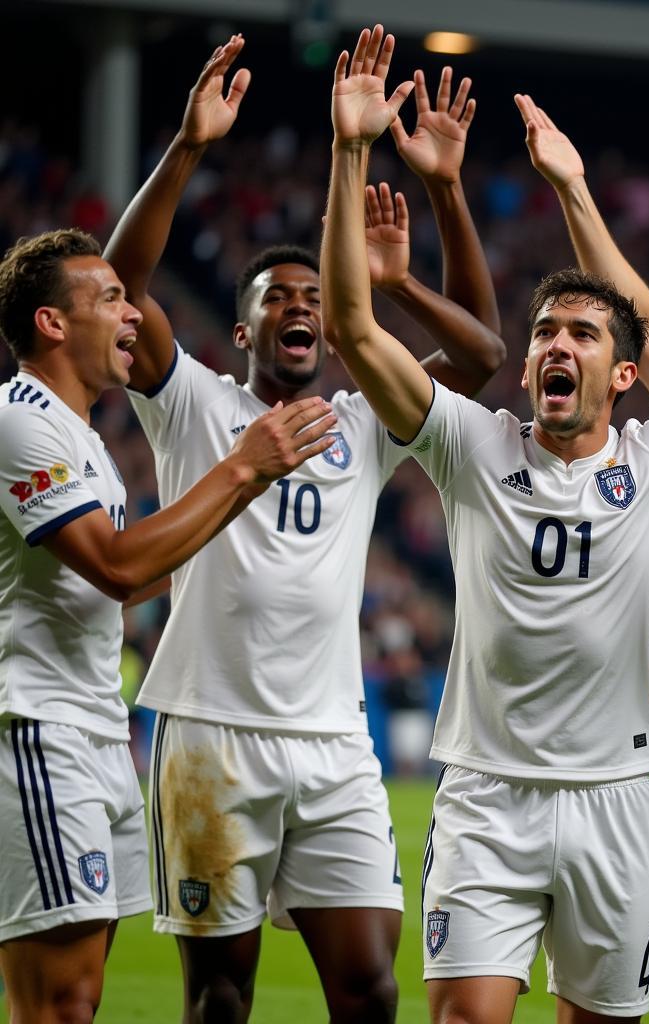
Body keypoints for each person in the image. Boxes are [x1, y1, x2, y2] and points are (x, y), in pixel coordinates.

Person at [320, 27, 649, 1023]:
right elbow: (354, 330)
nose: (557, 344)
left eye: (582, 333)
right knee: (463, 1016)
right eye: (544, 334)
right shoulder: (470, 445)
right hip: (486, 797)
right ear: (525, 368)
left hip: (615, 798)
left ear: (620, 372)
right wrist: (349, 154)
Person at [102, 37, 505, 1023]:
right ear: (240, 333)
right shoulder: (194, 404)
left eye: (314, 299)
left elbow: (482, 355)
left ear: (330, 331)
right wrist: (189, 149)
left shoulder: (363, 424)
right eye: (275, 298)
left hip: (332, 740)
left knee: (370, 986)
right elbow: (116, 289)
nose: (298, 307)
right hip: (211, 735)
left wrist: (438, 207)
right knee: (221, 997)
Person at [0, 228, 336, 1022]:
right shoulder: (19, 419)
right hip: (37, 729)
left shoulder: (82, 438)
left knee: (79, 995)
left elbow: (130, 581)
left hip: (92, 734)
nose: (132, 317)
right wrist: (241, 469)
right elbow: (115, 565)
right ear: (53, 323)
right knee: (59, 1002)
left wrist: (239, 516)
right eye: (112, 299)